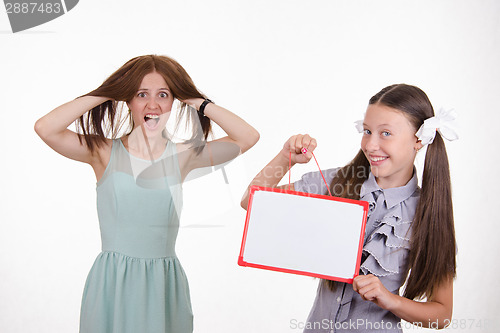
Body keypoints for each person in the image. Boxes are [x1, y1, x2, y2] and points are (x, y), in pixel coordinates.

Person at [35, 54, 259, 333]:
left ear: (173, 102)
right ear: (127, 101)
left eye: (163, 95)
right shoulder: (104, 153)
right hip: (111, 284)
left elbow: (247, 137)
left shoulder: (182, 156)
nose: (152, 104)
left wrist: (195, 100)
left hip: (162, 286)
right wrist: (107, 92)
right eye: (141, 94)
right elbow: (45, 128)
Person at [241, 84, 457, 332]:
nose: (371, 145)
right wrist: (284, 158)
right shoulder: (337, 182)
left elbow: (441, 315)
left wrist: (390, 299)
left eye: (385, 133)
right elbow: (251, 202)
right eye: (367, 131)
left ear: (418, 139)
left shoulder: (427, 213)